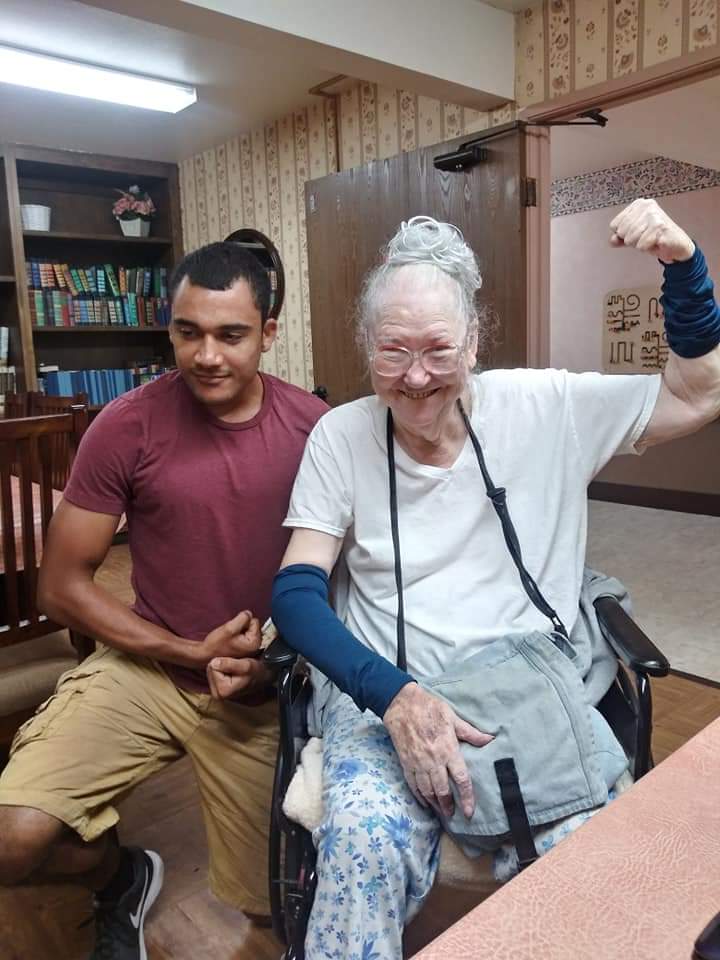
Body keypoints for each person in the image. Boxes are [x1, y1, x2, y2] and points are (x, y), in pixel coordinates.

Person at [271, 198, 720, 959]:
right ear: (364, 347)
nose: (416, 379)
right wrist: (396, 697)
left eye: (439, 350)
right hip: (382, 694)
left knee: (599, 881)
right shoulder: (340, 435)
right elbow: (295, 593)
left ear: (475, 342)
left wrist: (686, 272)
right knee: (363, 846)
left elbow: (697, 391)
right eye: (393, 352)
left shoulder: (547, 406)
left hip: (528, 690)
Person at [0, 242, 327, 960]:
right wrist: (185, 650)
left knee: (270, 913)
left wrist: (275, 664)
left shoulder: (316, 433)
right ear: (171, 327)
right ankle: (119, 876)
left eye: (231, 334)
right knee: (12, 837)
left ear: (268, 333)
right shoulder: (127, 423)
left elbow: (352, 584)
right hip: (148, 667)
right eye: (188, 332)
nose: (206, 355)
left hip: (258, 692)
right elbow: (60, 583)